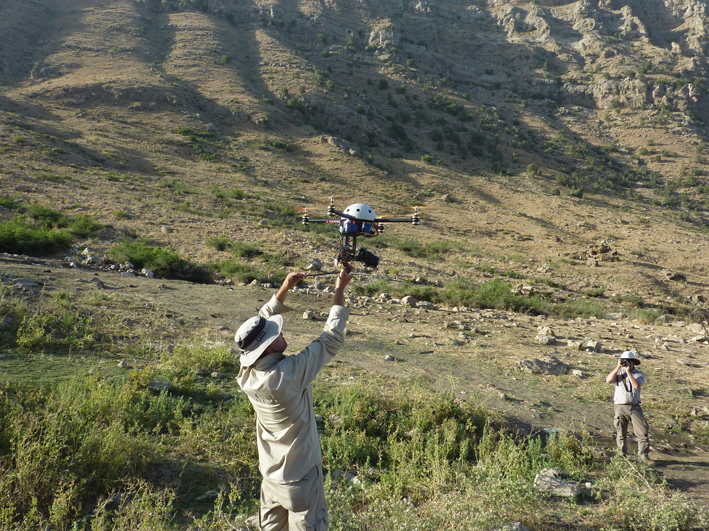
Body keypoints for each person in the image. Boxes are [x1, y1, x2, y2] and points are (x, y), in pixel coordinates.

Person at [235, 267, 353, 530]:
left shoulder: (246, 374)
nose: (281, 334)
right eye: (277, 336)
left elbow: (261, 320)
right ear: (269, 347)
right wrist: (339, 290)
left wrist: (285, 287)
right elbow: (330, 340)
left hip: (270, 478)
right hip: (301, 481)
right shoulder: (288, 375)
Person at [605, 351, 650, 461]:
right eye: (624, 361)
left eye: (628, 361)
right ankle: (621, 454)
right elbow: (608, 380)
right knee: (621, 431)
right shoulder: (618, 372)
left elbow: (636, 386)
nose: (626, 363)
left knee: (642, 431)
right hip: (620, 406)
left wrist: (629, 372)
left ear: (633, 362)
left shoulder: (638, 374)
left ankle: (643, 455)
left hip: (634, 406)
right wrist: (618, 366)